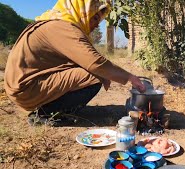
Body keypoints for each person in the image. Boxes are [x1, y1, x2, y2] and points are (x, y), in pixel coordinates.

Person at [4, 0, 146, 126]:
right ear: (82, 10)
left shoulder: (58, 23)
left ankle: (50, 107)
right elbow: (95, 62)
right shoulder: (63, 27)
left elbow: (85, 60)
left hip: (25, 86)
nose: (97, 25)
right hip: (25, 89)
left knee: (96, 73)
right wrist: (130, 78)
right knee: (94, 77)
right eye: (95, 18)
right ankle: (46, 114)